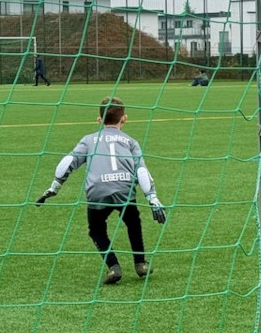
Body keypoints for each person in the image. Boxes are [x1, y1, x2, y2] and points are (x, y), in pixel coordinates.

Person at [35, 96, 167, 283]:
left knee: (96, 229)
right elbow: (141, 170)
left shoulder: (89, 140)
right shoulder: (131, 141)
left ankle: (113, 267)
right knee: (133, 222)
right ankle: (140, 264)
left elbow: (69, 161)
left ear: (99, 120)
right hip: (124, 189)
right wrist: (152, 197)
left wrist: (54, 187)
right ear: (124, 119)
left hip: (97, 191)